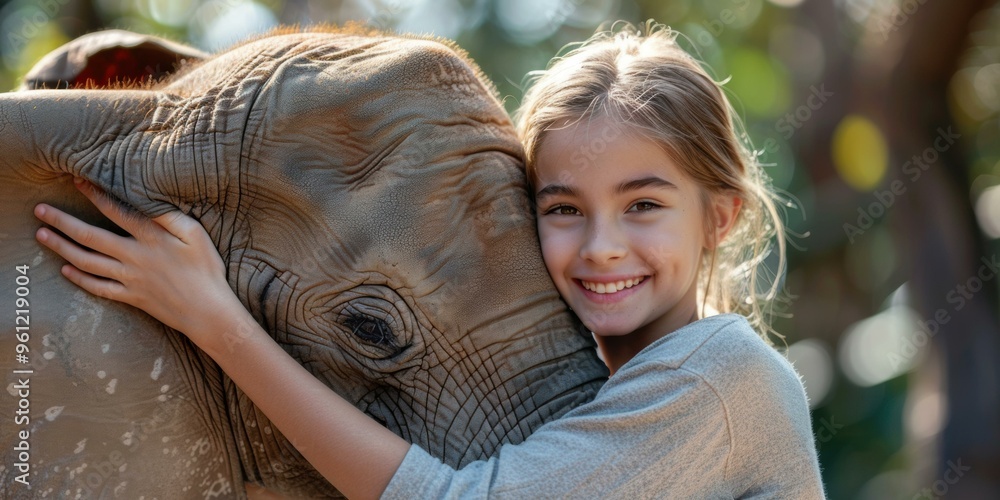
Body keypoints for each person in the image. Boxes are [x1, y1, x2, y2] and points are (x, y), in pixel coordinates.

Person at [34, 21, 826, 499]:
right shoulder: (609, 381)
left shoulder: (716, 376)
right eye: (561, 209)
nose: (601, 247)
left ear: (721, 217)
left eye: (644, 205)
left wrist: (218, 322)